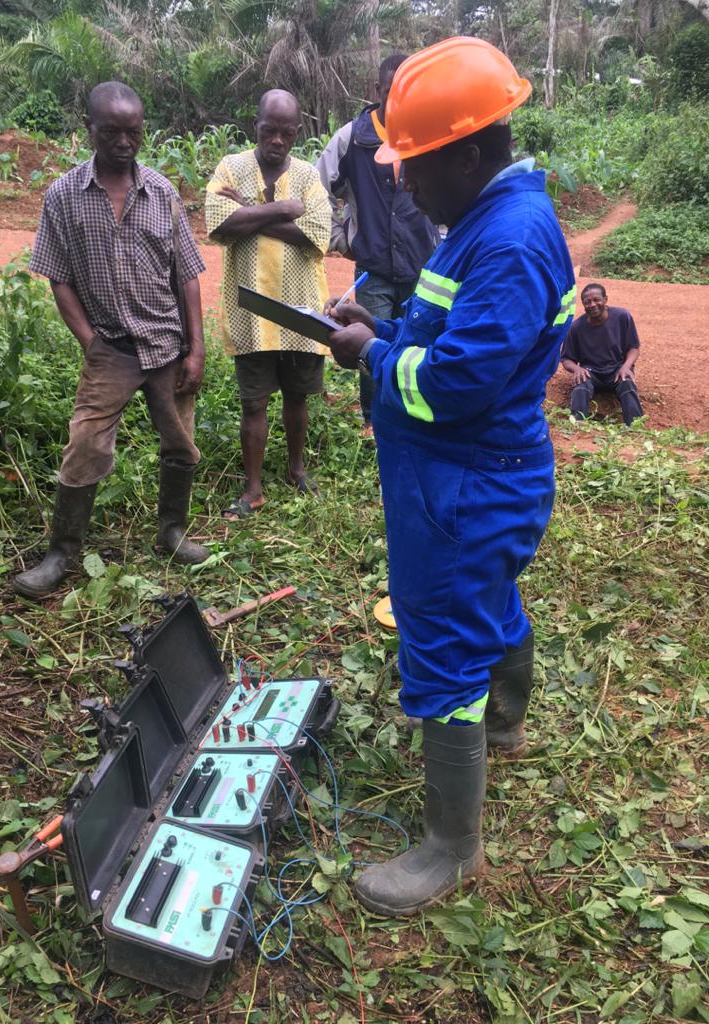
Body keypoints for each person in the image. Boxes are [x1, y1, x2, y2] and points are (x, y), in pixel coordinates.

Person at [326, 38, 576, 916]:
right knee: (484, 601)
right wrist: (382, 333)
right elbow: (448, 342)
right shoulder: (484, 222)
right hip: (464, 475)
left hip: (468, 482)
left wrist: (371, 358)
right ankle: (501, 725)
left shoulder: (506, 242)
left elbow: (457, 385)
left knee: (442, 635)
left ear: (468, 155)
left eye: (416, 163)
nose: (402, 182)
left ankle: (451, 846)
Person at [13, 82, 209, 600]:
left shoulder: (162, 193)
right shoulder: (63, 196)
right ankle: (61, 553)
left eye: (133, 132)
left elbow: (187, 275)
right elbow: (58, 277)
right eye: (112, 132)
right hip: (110, 350)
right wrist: (88, 341)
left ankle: (172, 532)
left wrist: (196, 348)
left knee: (180, 442)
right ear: (90, 130)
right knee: (85, 444)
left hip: (165, 344)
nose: (124, 142)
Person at [205, 90, 332, 519]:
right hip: (251, 310)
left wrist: (252, 212)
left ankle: (297, 470)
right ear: (255, 126)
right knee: (253, 402)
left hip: (300, 308)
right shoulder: (231, 167)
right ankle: (253, 488)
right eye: (269, 130)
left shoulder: (309, 176)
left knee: (298, 397)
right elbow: (219, 223)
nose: (277, 140)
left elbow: (317, 234)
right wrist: (283, 209)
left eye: (286, 132)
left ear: (297, 132)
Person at [316, 55, 439, 437]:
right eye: (390, 93)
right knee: (367, 340)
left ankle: (411, 414)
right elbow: (317, 190)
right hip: (373, 268)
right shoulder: (353, 138)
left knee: (418, 339)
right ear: (377, 90)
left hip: (423, 264)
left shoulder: (428, 133)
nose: (399, 103)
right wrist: (341, 239)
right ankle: (373, 420)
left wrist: (441, 241)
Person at [561, 283, 644, 425]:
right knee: (580, 387)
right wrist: (577, 369)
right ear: (583, 304)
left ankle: (635, 425)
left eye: (596, 300)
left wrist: (626, 367)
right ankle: (578, 423)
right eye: (587, 302)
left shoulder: (622, 317)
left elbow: (634, 348)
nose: (592, 305)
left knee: (627, 385)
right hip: (591, 372)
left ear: (605, 299)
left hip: (617, 369)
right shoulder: (576, 328)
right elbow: (566, 359)